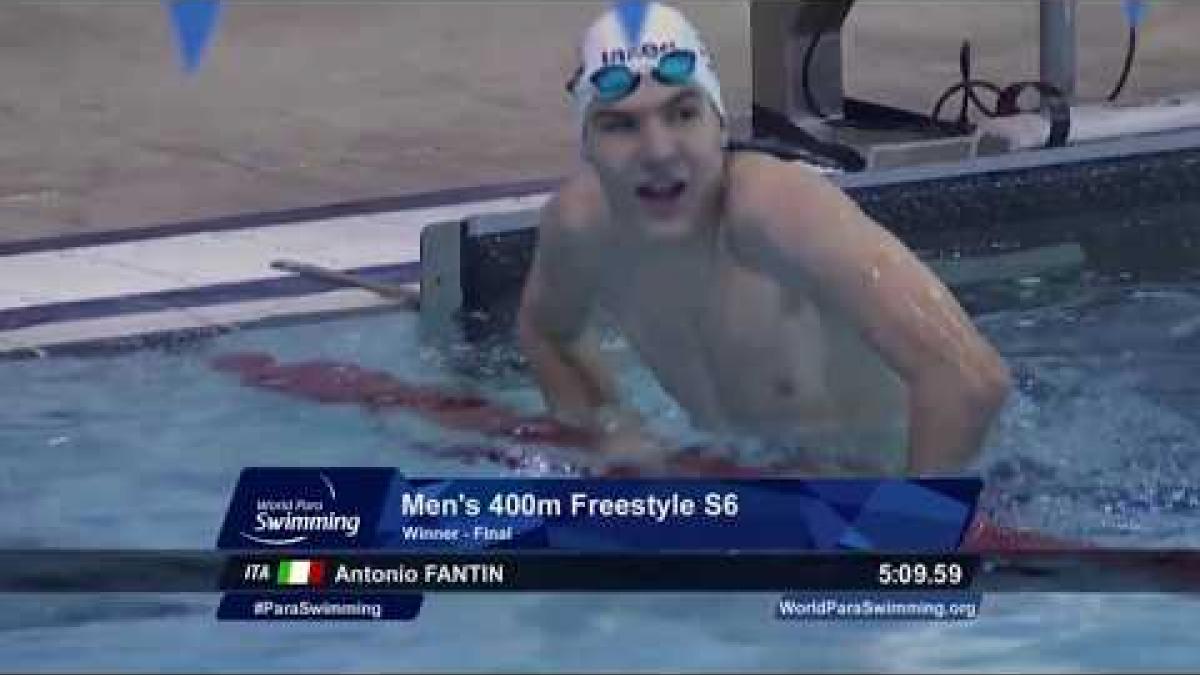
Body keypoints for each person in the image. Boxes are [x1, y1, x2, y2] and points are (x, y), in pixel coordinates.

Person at [517, 1, 1011, 476]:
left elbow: (970, 380)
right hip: (763, 492)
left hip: (933, 484)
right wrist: (609, 424)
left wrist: (906, 533)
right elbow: (546, 332)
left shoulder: (778, 212)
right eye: (621, 125)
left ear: (719, 125)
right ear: (587, 145)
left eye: (683, 114)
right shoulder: (581, 227)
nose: (659, 151)